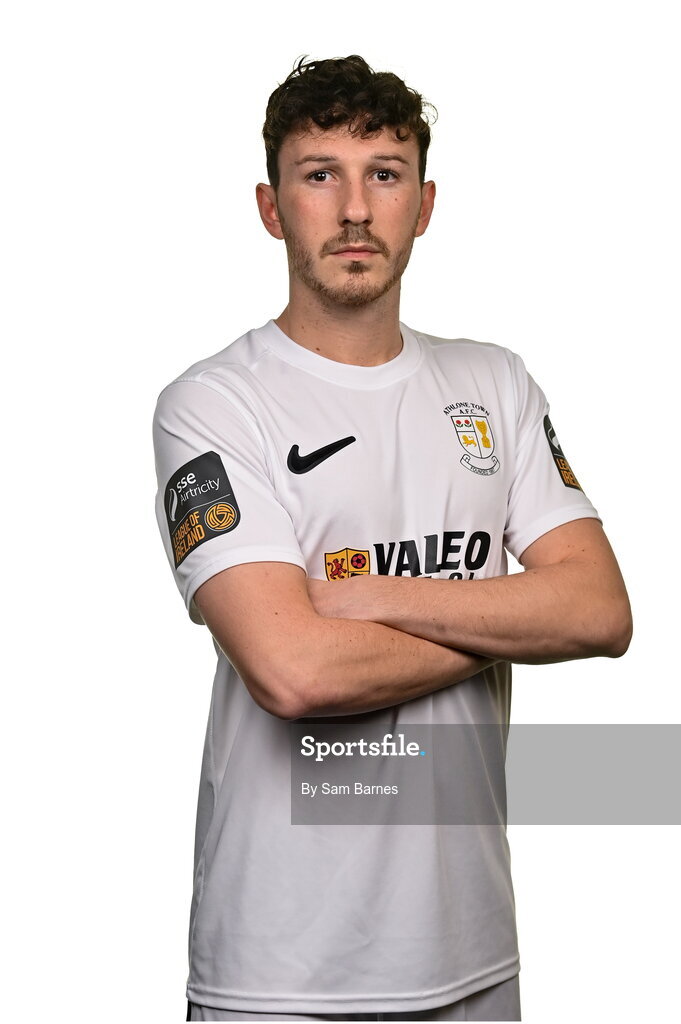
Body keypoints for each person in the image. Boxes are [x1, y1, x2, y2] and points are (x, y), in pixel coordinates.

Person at [152, 55, 632, 1023]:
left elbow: (599, 611)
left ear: (425, 203)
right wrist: (511, 617)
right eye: (319, 174)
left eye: (384, 173)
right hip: (279, 970)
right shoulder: (213, 404)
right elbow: (293, 672)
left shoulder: (494, 384)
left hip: (472, 954)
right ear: (271, 207)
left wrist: (367, 597)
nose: (354, 209)